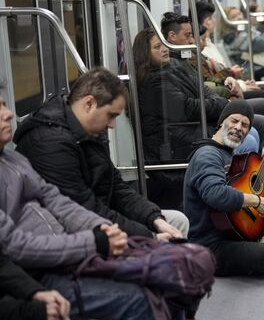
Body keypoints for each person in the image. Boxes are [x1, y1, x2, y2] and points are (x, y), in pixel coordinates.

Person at [0, 93, 183, 320]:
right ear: (88, 104)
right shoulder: (51, 143)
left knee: (160, 272)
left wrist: (102, 230)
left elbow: (60, 203)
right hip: (36, 275)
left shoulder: (14, 160)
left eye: (5, 105)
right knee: (141, 301)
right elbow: (12, 245)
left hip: (68, 256)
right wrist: (94, 241)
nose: (8, 113)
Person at [13, 68, 189, 240]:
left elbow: (117, 187)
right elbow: (84, 209)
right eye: (110, 116)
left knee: (175, 221)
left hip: (96, 213)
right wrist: (149, 236)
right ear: (89, 103)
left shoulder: (86, 131)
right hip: (66, 230)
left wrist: (154, 218)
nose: (112, 125)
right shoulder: (50, 142)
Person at [184, 100, 264, 276]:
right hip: (211, 245)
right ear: (221, 122)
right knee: (263, 257)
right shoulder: (208, 155)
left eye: (245, 125)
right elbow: (215, 194)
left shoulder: (228, 152)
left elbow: (260, 178)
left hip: (237, 225)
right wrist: (256, 201)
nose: (238, 127)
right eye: (234, 120)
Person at [161, 12, 264, 149]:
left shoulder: (186, 57)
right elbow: (192, 103)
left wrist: (228, 84)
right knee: (260, 123)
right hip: (197, 122)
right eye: (188, 36)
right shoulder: (173, 66)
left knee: (263, 107)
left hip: (211, 106)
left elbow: (204, 88)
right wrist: (226, 100)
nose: (192, 41)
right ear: (172, 36)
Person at [0, 252, 108, 320]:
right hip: (13, 317)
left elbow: (2, 264)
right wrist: (31, 313)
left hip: (17, 303)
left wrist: (36, 291)